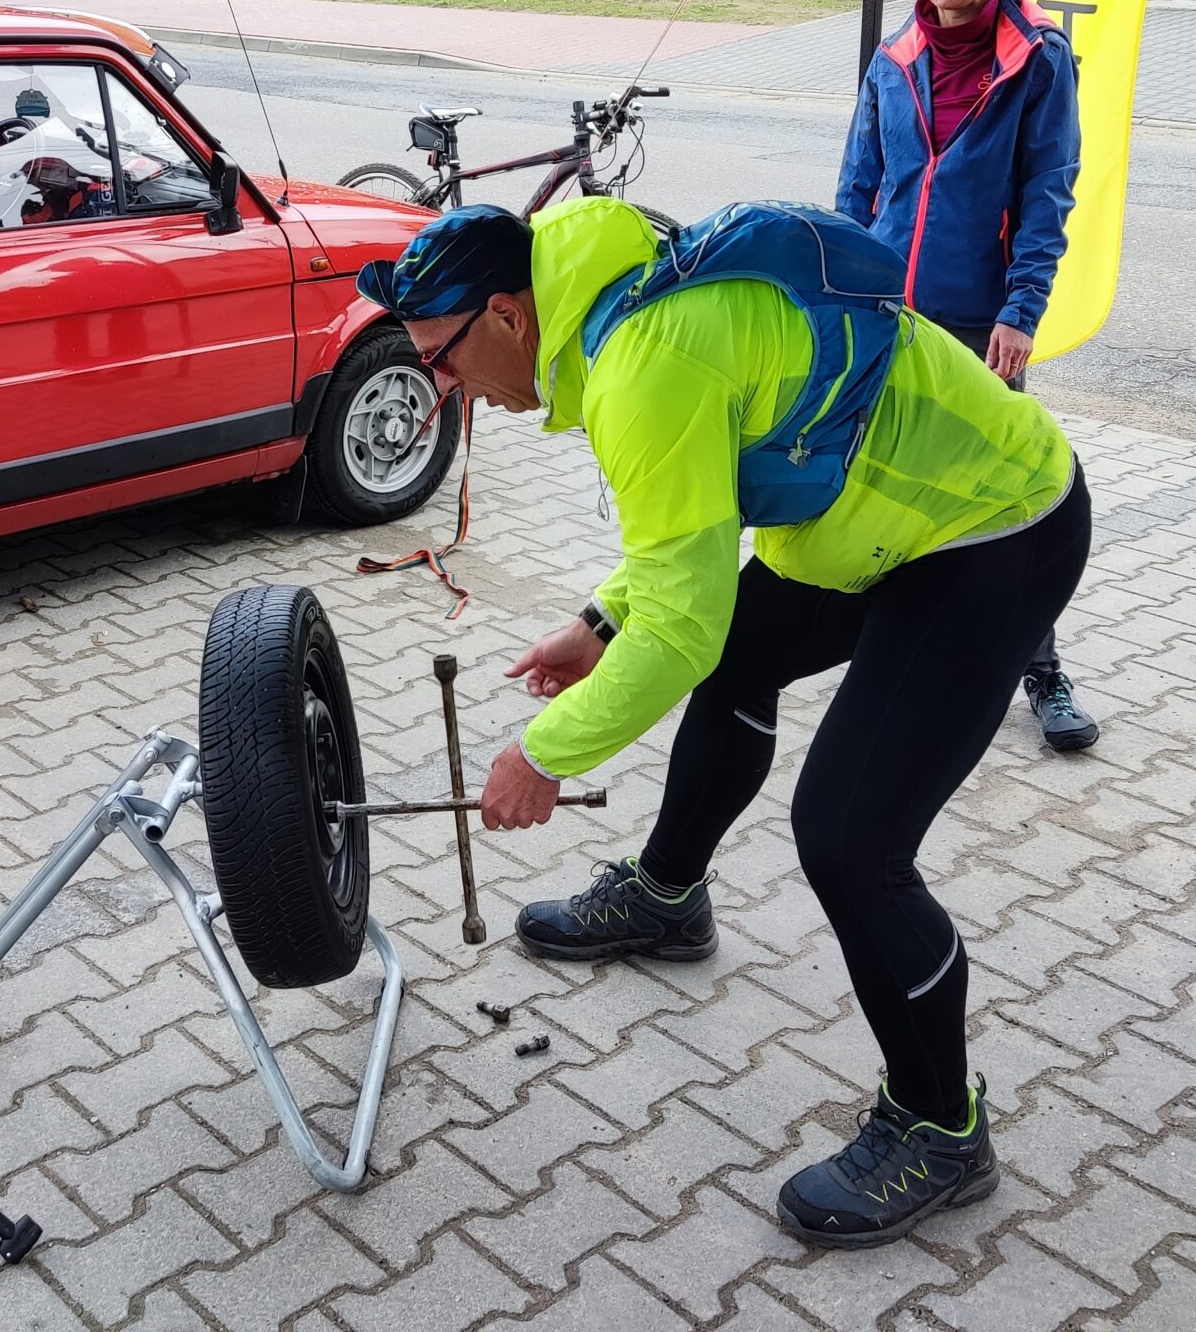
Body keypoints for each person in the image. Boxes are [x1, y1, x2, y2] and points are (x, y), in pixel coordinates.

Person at [358, 197, 1089, 1249]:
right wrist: (599, 623)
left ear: (509, 316)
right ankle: (666, 901)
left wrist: (543, 755)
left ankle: (940, 1125)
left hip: (989, 526)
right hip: (878, 511)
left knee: (850, 838)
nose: (443, 389)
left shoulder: (640, 363)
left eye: (441, 359)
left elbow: (681, 627)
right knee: (742, 654)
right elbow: (690, 536)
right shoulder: (613, 309)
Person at [836, 0, 1097, 753]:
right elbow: (857, 188)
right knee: (889, 479)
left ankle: (1039, 666)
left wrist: (1021, 312)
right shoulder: (894, 55)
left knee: (1005, 495)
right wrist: (846, 288)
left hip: (984, 320)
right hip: (893, 311)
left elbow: (1047, 193)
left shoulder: (1038, 59)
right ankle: (901, 647)